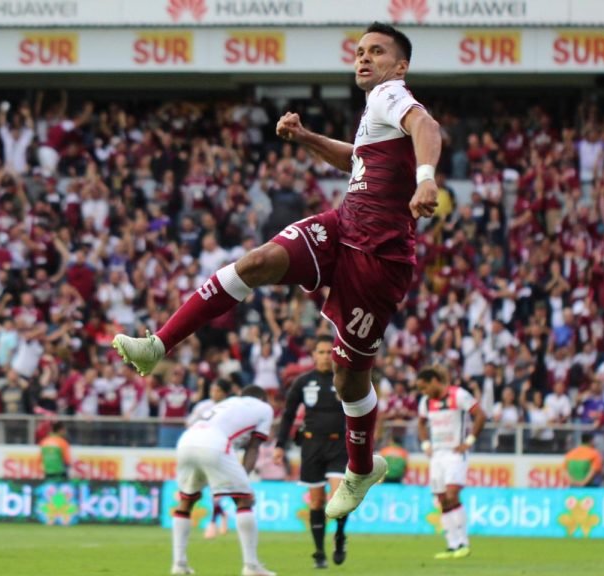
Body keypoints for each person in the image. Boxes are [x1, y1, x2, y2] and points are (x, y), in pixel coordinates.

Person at [113, 21, 441, 520]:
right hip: (343, 228)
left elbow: (427, 127)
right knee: (258, 261)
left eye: (377, 51)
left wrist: (427, 179)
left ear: (400, 66)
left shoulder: (392, 95)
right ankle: (157, 344)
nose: (363, 58)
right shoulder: (376, 111)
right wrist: (307, 137)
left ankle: (360, 468)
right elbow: (356, 161)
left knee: (351, 382)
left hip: (379, 260)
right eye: (359, 51)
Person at [171, 385, 275, 576]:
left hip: (186, 441)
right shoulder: (265, 408)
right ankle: (251, 567)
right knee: (244, 500)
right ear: (263, 399)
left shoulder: (229, 403)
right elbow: (253, 447)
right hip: (213, 443)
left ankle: (179, 564)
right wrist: (243, 480)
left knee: (186, 500)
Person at [273, 335, 348, 569]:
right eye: (322, 352)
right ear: (314, 355)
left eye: (330, 352)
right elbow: (288, 415)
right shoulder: (303, 382)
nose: (326, 356)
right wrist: (279, 445)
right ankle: (319, 552)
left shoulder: (345, 380)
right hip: (312, 445)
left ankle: (339, 536)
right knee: (316, 501)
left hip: (338, 445)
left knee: (339, 499)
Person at [416, 367, 485, 560]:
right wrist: (426, 444)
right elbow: (421, 424)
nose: (424, 392)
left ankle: (464, 542)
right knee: (442, 500)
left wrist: (469, 442)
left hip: (455, 454)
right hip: (436, 456)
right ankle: (452, 546)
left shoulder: (459, 395)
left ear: (435, 381)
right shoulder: (426, 402)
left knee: (452, 494)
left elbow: (480, 414)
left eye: (425, 387)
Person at [188, 378, 233, 540]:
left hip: (220, 450)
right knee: (201, 488)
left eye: (218, 390)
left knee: (217, 488)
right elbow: (189, 423)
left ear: (225, 393)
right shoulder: (203, 407)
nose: (214, 393)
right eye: (213, 390)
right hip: (201, 449)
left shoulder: (230, 408)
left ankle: (212, 523)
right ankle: (222, 515)